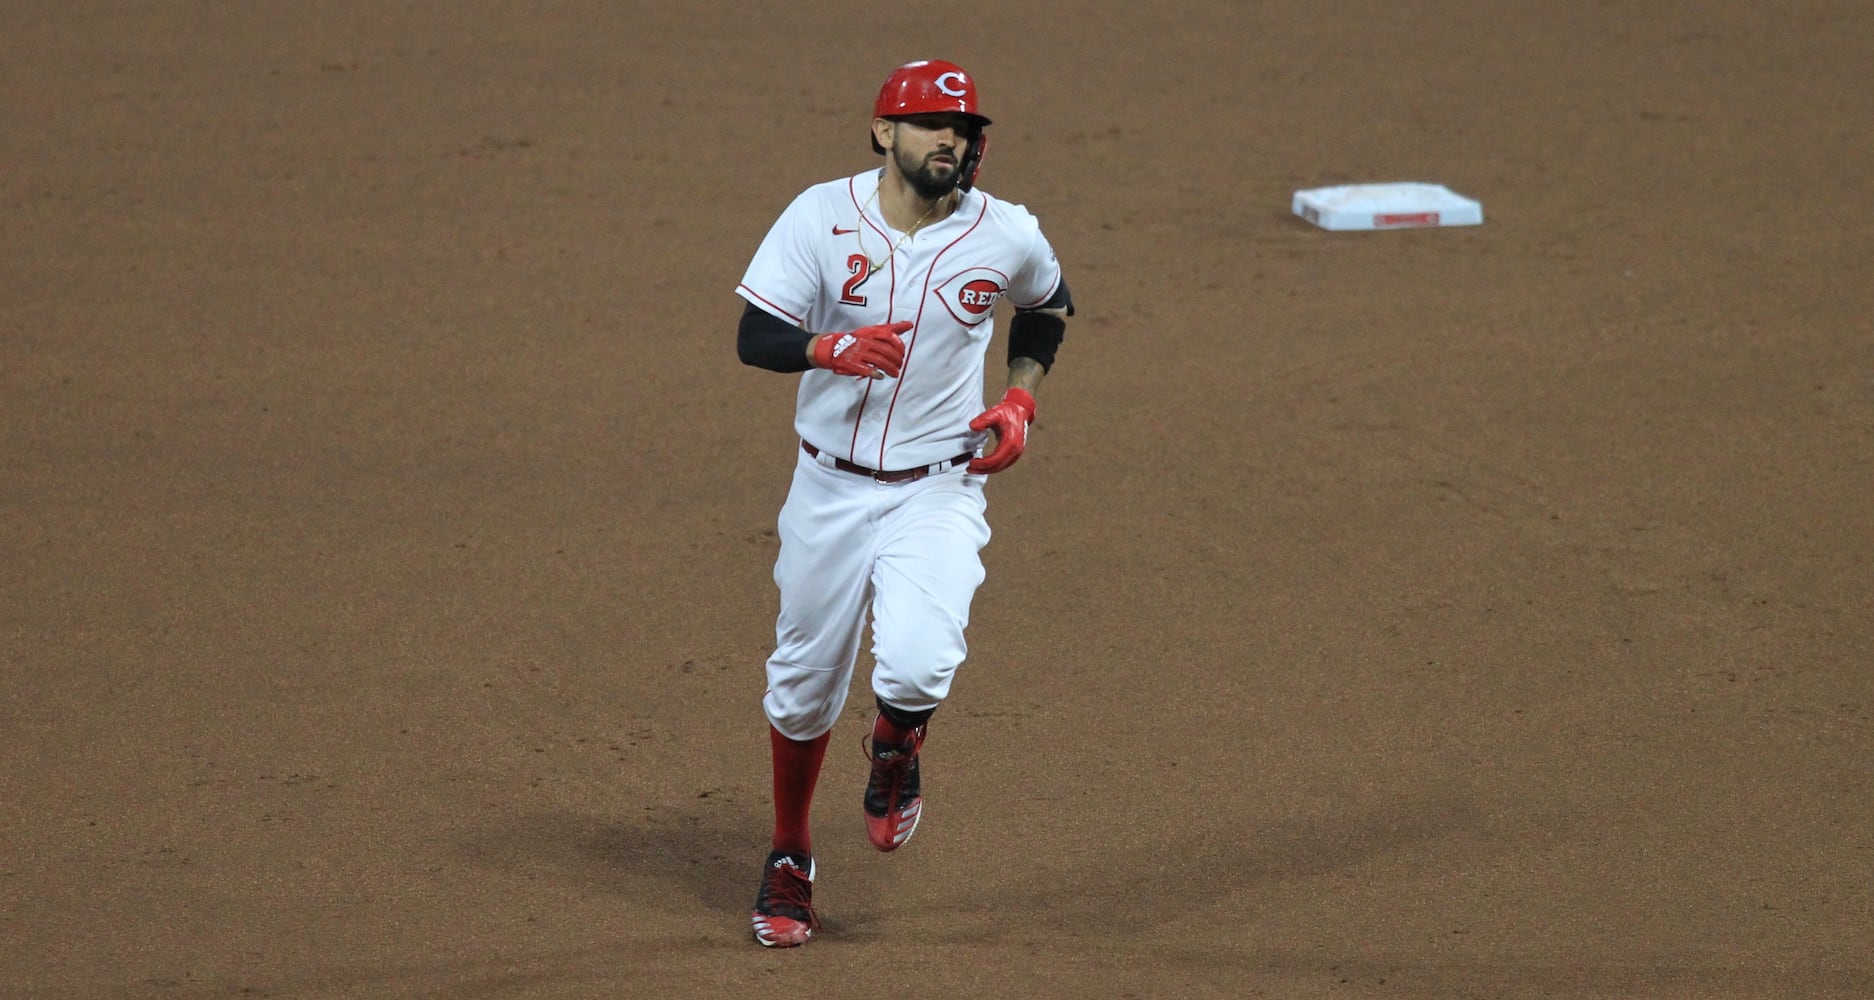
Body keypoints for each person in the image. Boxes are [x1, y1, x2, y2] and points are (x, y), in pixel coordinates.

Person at [733, 59, 1074, 947]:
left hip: (940, 487)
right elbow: (754, 333)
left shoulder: (1006, 233)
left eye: (961, 128)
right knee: (803, 690)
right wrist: (825, 350)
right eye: (929, 124)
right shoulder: (820, 214)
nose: (949, 140)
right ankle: (791, 854)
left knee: (918, 668)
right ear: (885, 133)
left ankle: (895, 746)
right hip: (830, 487)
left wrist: (1020, 398)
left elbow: (1048, 307)